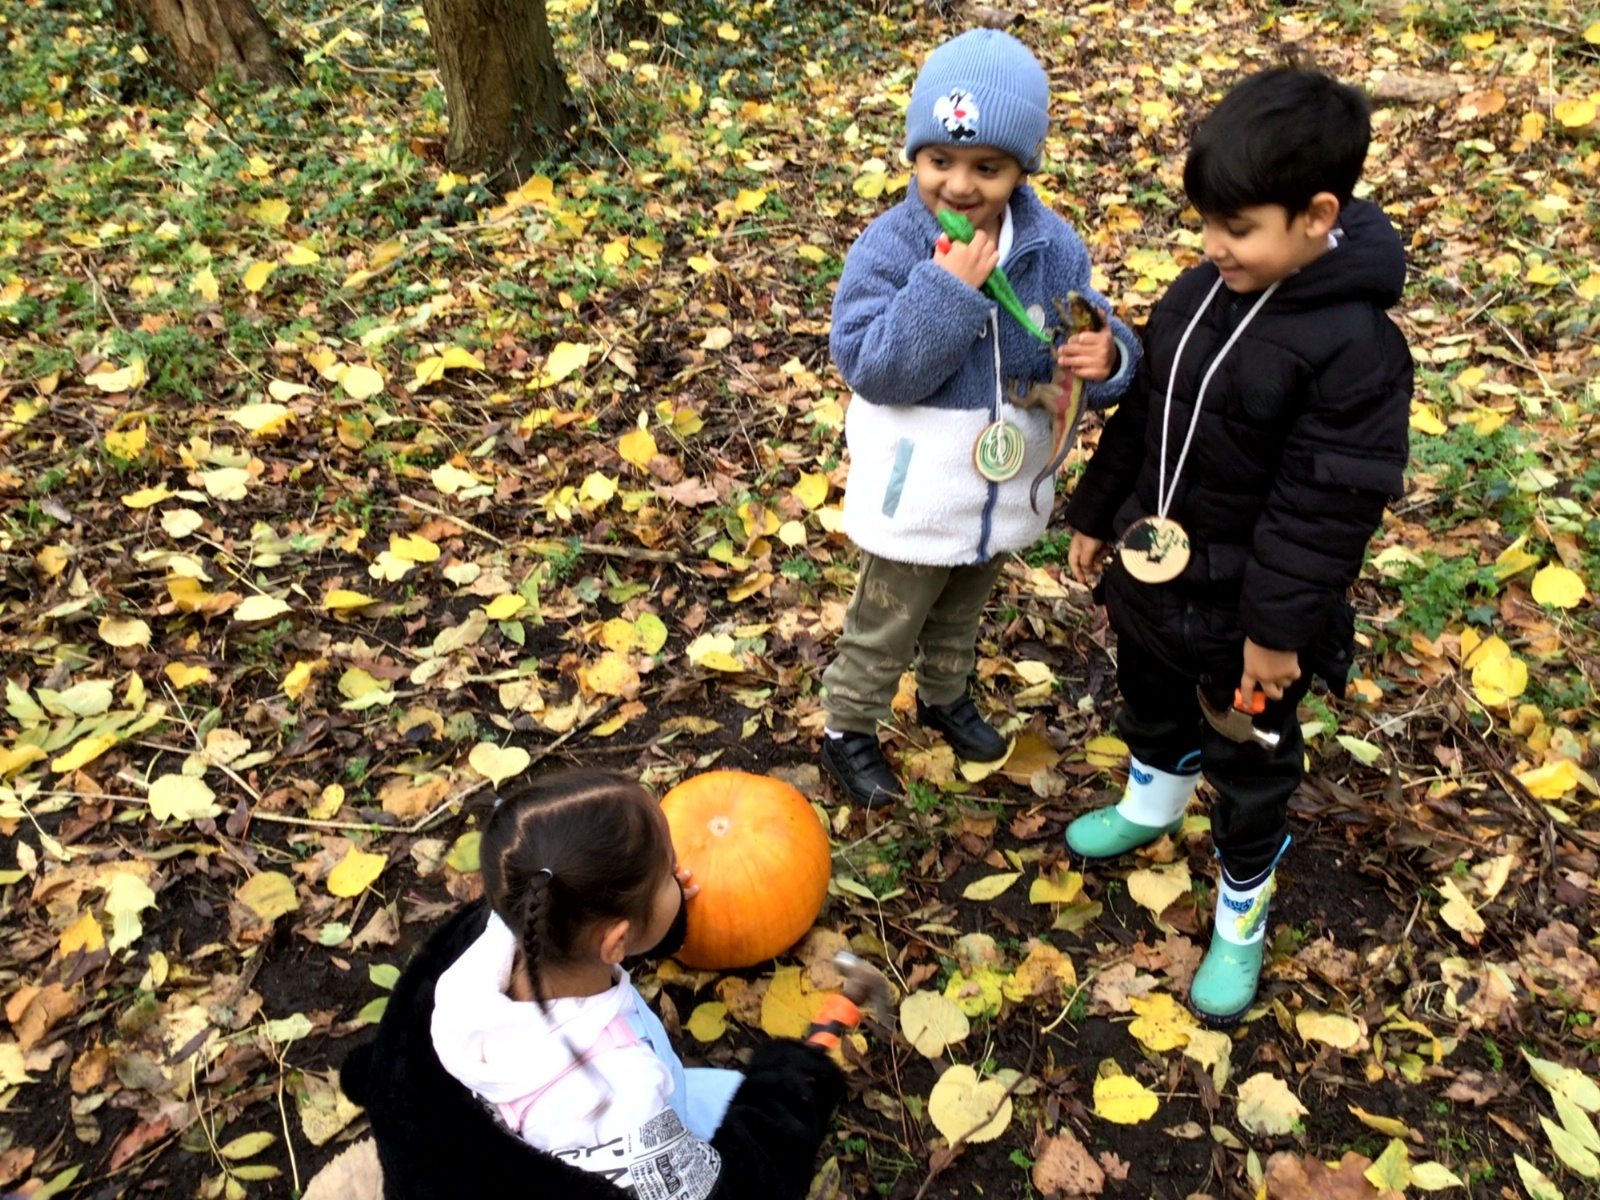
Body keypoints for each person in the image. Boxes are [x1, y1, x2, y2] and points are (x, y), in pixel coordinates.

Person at [1060, 68, 1412, 1025]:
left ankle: (1242, 906)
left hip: (1248, 619)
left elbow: (1324, 510)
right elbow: (1147, 414)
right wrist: (1096, 511)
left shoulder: (1356, 351)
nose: (1214, 245)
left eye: (1239, 227)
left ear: (1317, 216)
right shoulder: (1201, 291)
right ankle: (1151, 801)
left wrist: (1275, 632)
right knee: (1150, 697)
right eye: (1207, 224)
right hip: (1157, 579)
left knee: (1248, 763)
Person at [820, 28, 1141, 809]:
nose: (959, 184)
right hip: (917, 492)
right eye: (940, 160)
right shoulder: (892, 246)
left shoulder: (1050, 247)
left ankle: (944, 695)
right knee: (887, 620)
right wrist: (947, 291)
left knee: (963, 607)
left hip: (1001, 486)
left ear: (1022, 168)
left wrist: (1109, 356)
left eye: (987, 168)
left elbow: (1086, 325)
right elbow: (872, 366)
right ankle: (847, 726)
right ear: (915, 156)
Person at [340, 769, 844, 1200]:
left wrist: (654, 912)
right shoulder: (622, 1094)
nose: (679, 871)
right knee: (742, 1100)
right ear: (615, 941)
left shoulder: (493, 935)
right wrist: (790, 1093)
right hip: (612, 1162)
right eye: (668, 873)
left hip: (504, 1148)